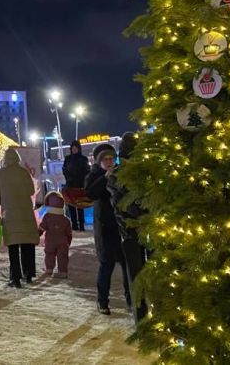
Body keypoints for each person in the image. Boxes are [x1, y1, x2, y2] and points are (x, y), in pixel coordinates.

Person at [106, 132, 149, 322]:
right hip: (151, 228)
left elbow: (120, 204)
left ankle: (141, 317)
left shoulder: (115, 174)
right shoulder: (146, 172)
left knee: (136, 277)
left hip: (128, 232)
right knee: (154, 272)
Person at [85, 146, 131, 315]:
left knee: (127, 265)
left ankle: (130, 300)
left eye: (112, 159)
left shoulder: (120, 174)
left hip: (121, 226)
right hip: (105, 228)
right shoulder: (94, 175)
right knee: (107, 265)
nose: (110, 162)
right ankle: (102, 301)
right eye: (106, 159)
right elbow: (90, 193)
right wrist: (105, 178)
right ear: (100, 161)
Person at [0, 148, 40, 288]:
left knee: (13, 247)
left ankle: (15, 278)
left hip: (10, 214)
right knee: (27, 244)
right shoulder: (23, 172)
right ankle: (29, 274)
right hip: (25, 213)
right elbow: (31, 190)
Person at [38, 191, 72, 278]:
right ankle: (63, 271)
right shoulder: (65, 219)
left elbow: (42, 227)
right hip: (63, 242)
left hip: (50, 241)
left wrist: (38, 233)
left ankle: (49, 269)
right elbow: (68, 232)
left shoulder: (47, 217)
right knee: (63, 256)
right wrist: (68, 241)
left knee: (49, 254)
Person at [62, 140, 90, 231]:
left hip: (80, 185)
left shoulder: (83, 159)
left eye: (76, 148)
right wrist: (68, 178)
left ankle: (81, 225)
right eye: (73, 148)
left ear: (79, 149)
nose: (74, 150)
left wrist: (83, 180)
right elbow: (64, 170)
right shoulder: (68, 159)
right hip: (70, 185)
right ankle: (74, 224)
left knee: (80, 205)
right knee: (71, 205)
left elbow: (86, 171)